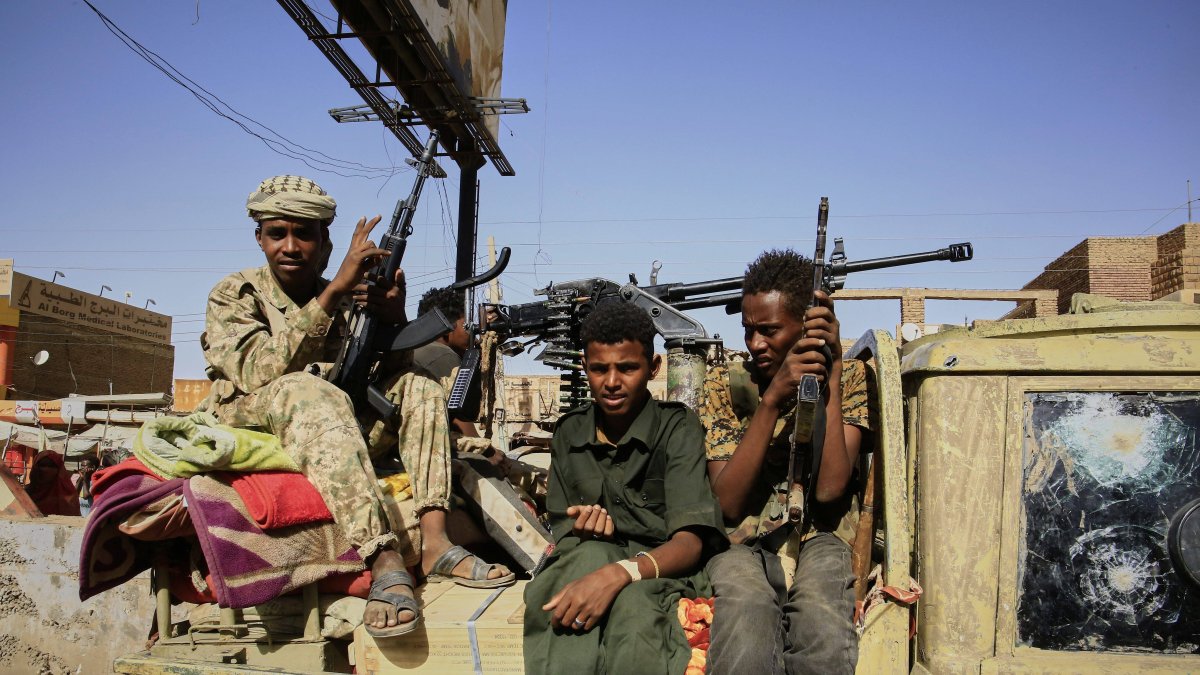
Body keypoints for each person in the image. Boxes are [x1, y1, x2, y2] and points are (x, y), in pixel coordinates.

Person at [199, 175, 511, 637]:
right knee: (307, 389)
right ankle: (382, 555)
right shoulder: (236, 293)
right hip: (257, 420)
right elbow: (256, 373)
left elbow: (387, 378)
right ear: (259, 239)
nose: (290, 246)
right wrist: (331, 295)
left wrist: (391, 318)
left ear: (325, 243)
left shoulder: (351, 299)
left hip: (338, 428)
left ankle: (436, 542)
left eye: (304, 234)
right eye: (276, 233)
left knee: (419, 385)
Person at [523, 301, 726, 674]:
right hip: (588, 562)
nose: (612, 381)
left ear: (653, 368)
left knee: (635, 616)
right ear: (585, 369)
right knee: (576, 580)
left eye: (627, 368)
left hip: (658, 570)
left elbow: (690, 542)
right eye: (599, 369)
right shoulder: (570, 431)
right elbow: (564, 533)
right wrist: (584, 529)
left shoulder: (677, 428)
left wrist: (621, 572)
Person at [701, 249, 871, 675]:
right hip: (746, 539)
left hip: (821, 533)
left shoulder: (850, 379)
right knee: (745, 610)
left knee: (821, 621)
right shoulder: (726, 383)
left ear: (807, 326)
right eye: (748, 331)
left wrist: (829, 376)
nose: (755, 344)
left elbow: (831, 490)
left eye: (770, 330)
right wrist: (773, 399)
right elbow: (727, 504)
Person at [26, 450, 81, 517]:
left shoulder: (68, 493)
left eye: (51, 466)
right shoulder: (25, 492)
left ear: (59, 469)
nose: (46, 469)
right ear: (35, 467)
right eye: (42, 465)